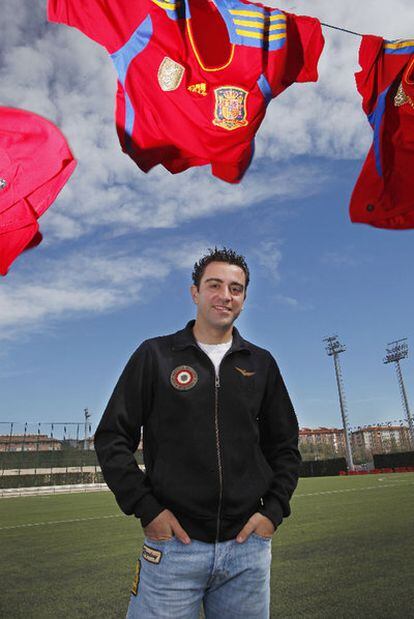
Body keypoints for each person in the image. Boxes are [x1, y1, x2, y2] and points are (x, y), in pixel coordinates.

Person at [94, 247, 301, 619]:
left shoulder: (261, 363)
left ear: (244, 299)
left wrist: (272, 512)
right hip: (174, 548)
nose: (225, 295)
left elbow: (285, 446)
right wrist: (147, 508)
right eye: (215, 285)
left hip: (247, 552)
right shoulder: (156, 355)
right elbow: (112, 436)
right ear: (195, 293)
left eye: (235, 289)